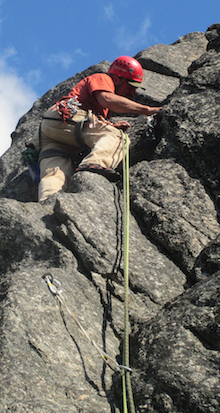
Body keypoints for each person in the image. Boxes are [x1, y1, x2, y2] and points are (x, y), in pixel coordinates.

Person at [33, 55, 162, 202]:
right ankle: (94, 165)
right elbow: (106, 99)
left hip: (50, 132)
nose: (133, 92)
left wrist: (109, 124)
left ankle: (48, 204)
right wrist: (148, 110)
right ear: (117, 78)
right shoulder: (103, 78)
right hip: (67, 116)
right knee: (118, 137)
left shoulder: (101, 106)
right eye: (131, 85)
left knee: (55, 174)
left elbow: (92, 124)